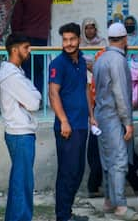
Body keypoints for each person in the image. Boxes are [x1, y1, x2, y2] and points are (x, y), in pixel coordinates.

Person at [93, 23, 138, 221]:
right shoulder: (118, 60)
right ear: (124, 39)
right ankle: (120, 205)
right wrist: (128, 122)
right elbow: (121, 94)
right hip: (114, 116)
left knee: (107, 160)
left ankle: (108, 200)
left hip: (101, 115)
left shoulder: (101, 58)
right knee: (120, 161)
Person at [48, 23, 90, 221]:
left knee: (79, 171)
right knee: (67, 172)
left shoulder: (81, 62)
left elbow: (85, 90)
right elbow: (53, 93)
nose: (68, 43)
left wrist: (92, 116)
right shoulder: (57, 64)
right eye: (65, 40)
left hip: (82, 124)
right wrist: (64, 121)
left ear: (79, 39)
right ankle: (62, 216)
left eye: (72, 39)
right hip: (67, 128)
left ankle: (68, 212)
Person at [0, 34, 41, 221]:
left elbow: (34, 98)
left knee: (21, 182)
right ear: (15, 50)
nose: (29, 51)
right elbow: (34, 102)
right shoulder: (12, 76)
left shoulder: (16, 72)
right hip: (20, 133)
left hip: (21, 132)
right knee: (22, 183)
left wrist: (33, 97)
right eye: (26, 47)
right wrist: (33, 97)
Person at [12, 0, 52, 92]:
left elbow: (16, 18)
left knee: (27, 69)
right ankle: (39, 98)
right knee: (39, 68)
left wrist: (15, 36)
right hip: (42, 37)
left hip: (26, 37)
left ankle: (29, 99)